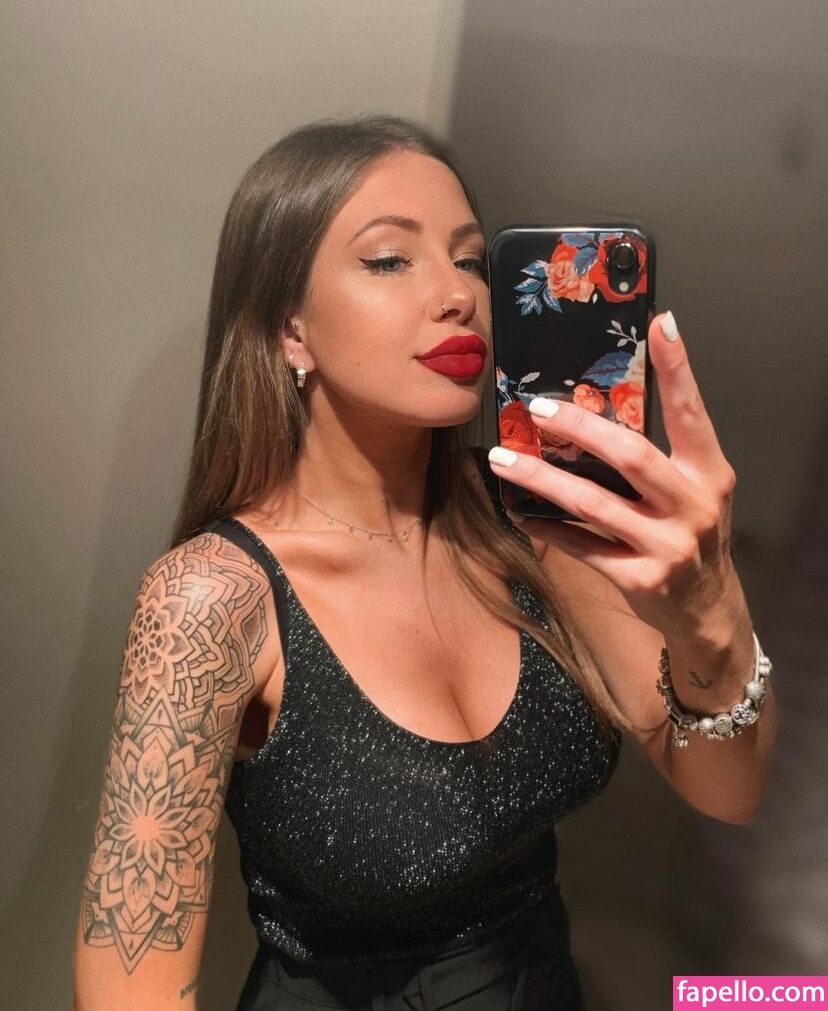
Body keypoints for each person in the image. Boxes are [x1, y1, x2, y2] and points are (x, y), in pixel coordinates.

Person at [72, 115, 777, 1011]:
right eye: (388, 259)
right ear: (290, 329)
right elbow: (127, 982)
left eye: (472, 260)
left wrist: (712, 615)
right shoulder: (210, 599)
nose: (457, 295)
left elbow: (728, 790)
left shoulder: (533, 522)